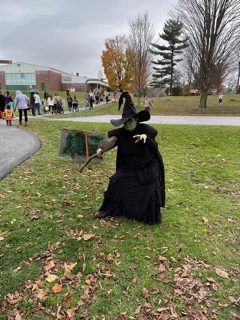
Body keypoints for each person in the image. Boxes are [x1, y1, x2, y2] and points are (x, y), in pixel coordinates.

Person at [95, 91, 165, 224]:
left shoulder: (146, 130)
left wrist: (146, 138)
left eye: (130, 121)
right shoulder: (121, 133)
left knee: (149, 189)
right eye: (125, 122)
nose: (127, 124)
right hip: (129, 166)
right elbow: (110, 142)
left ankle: (146, 216)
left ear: (137, 120)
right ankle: (110, 209)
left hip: (147, 166)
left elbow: (154, 148)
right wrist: (101, 149)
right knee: (116, 181)